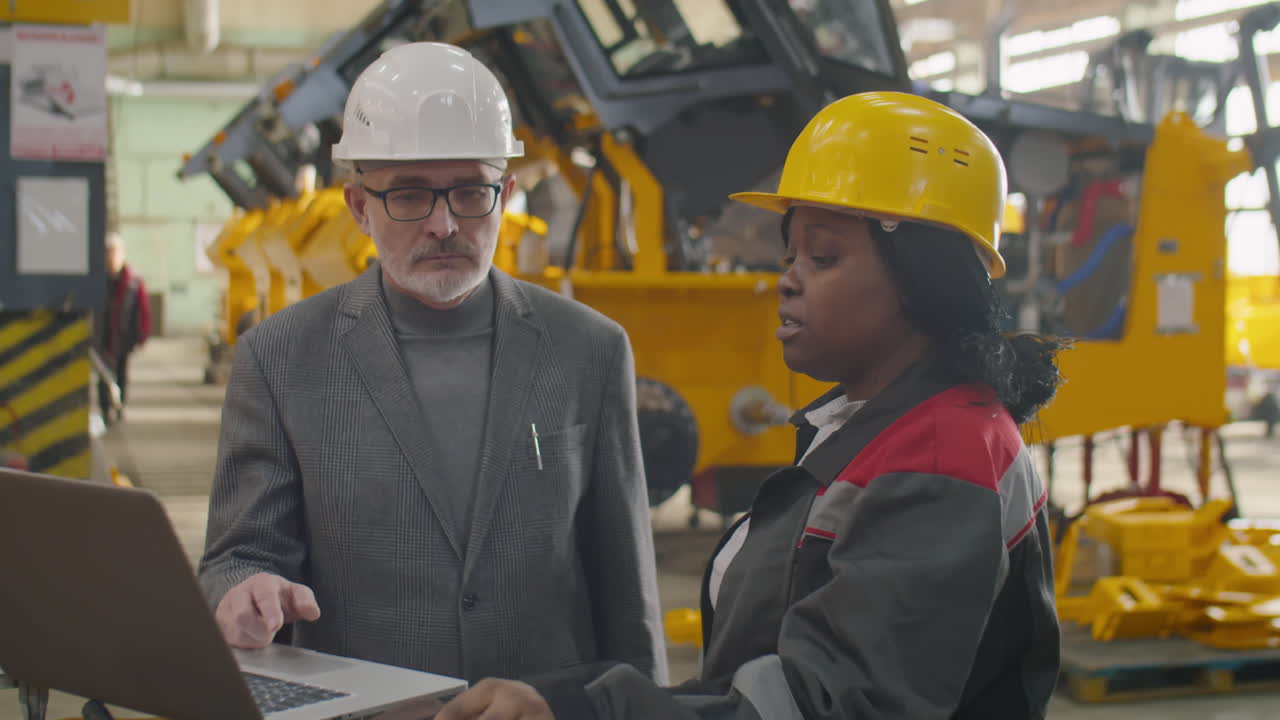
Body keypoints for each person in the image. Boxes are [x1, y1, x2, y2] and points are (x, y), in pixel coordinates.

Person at [436, 91, 1064, 719]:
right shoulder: (865, 428)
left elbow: (829, 705)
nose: (788, 278)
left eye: (824, 257)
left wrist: (588, 712)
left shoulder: (942, 452)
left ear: (920, 275)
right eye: (790, 255)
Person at [197, 41, 668, 685]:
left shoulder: (589, 349)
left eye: (471, 191)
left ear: (504, 193)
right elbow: (239, 553)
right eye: (411, 195)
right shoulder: (280, 358)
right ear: (360, 206)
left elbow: (626, 590)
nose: (446, 224)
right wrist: (243, 590)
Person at [95, 231, 151, 425]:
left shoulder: (133, 280)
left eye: (114, 252)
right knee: (103, 376)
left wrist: (142, 335)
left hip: (123, 337)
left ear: (122, 254)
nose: (111, 256)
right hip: (102, 338)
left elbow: (143, 309)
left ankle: (120, 407)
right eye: (108, 252)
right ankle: (105, 411)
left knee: (121, 374)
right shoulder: (97, 280)